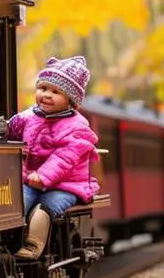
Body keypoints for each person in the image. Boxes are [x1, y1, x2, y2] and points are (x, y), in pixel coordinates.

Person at [5, 56, 100, 260]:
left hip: (66, 184)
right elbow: (14, 132)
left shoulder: (77, 127)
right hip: (32, 179)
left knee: (44, 208)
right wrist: (9, 127)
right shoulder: (30, 116)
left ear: (70, 100)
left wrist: (44, 176)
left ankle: (33, 246)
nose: (47, 95)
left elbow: (64, 158)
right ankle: (11, 242)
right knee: (17, 202)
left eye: (56, 92)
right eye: (43, 88)